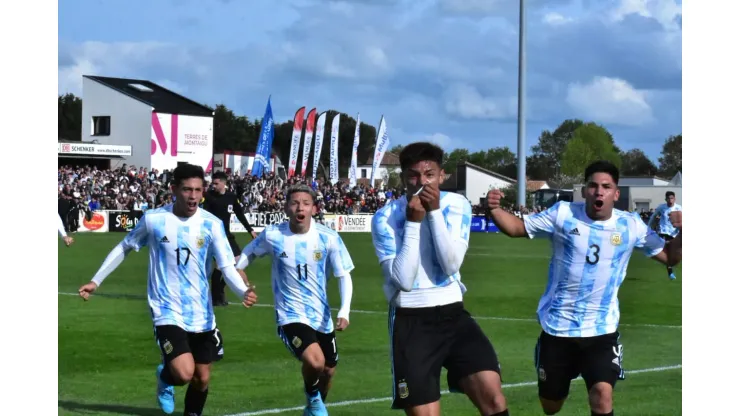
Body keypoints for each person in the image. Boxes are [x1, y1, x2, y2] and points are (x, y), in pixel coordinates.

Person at [486, 160, 683, 416]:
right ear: (585, 191)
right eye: (593, 185)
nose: (599, 191)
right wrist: (494, 209)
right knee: (550, 406)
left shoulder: (631, 225)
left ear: (615, 193)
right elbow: (517, 228)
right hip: (559, 327)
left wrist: (683, 231)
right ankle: (545, 362)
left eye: (606, 186)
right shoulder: (563, 214)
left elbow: (669, 257)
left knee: (602, 395)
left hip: (601, 329)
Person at [77, 163, 258, 416]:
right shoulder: (155, 220)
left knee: (202, 378)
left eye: (197, 190)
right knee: (184, 373)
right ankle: (166, 376)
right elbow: (125, 247)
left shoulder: (212, 224)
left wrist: (242, 292)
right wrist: (96, 280)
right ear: (174, 189)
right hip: (166, 308)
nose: (193, 196)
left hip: (201, 312)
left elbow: (227, 266)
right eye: (187, 189)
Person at [371, 142, 509, 416]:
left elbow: (450, 265)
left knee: (494, 400)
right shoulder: (385, 217)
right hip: (411, 322)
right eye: (413, 175)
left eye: (429, 174)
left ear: (442, 176)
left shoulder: (456, 205)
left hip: (453, 316)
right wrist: (412, 223)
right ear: (403, 178)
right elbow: (404, 281)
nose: (422, 182)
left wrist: (433, 213)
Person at [235, 184, 355, 416]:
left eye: (306, 203)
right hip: (290, 314)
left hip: (320, 316)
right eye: (294, 203)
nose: (300, 207)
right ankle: (312, 397)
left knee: (328, 371)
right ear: (286, 208)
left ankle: (313, 406)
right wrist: (239, 270)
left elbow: (344, 275)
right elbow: (249, 252)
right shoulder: (273, 235)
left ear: (314, 208)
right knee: (316, 362)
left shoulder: (328, 238)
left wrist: (345, 310)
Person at [201, 170, 257, 306]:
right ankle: (216, 297)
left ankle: (219, 290)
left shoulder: (231, 197)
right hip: (214, 237)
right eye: (212, 183)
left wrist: (250, 230)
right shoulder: (209, 197)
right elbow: (204, 216)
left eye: (216, 183)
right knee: (221, 265)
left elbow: (240, 214)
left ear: (223, 183)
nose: (213, 185)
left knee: (237, 263)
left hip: (228, 236)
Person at [647, 191, 683, 280]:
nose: (670, 200)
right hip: (663, 232)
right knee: (667, 253)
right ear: (665, 199)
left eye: (672, 198)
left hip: (674, 233)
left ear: (675, 199)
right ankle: (670, 272)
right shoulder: (661, 207)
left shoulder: (679, 208)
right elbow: (653, 217)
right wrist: (648, 227)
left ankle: (669, 265)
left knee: (674, 253)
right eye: (668, 198)